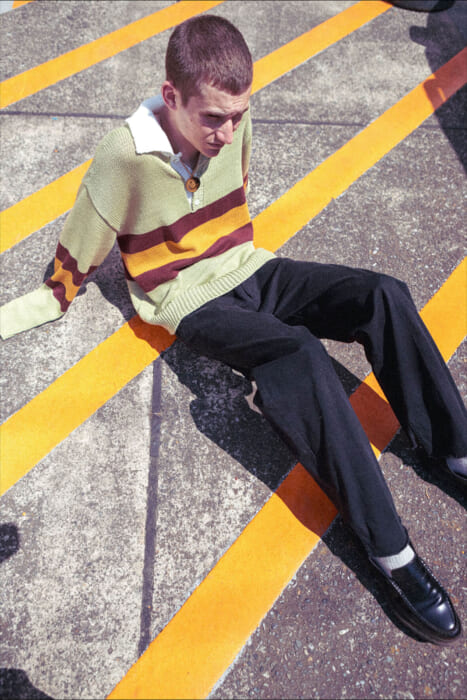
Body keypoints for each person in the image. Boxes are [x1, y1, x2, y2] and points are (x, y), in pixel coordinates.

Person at [1, 14, 466, 645]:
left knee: (382, 294)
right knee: (295, 354)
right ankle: (393, 553)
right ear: (171, 96)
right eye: (213, 118)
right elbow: (78, 246)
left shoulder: (235, 123)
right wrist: (44, 301)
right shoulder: (122, 156)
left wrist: (228, 205)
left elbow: (232, 192)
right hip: (185, 296)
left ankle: (451, 448)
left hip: (249, 266)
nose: (227, 131)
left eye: (238, 115)